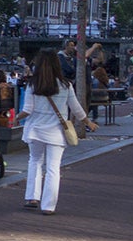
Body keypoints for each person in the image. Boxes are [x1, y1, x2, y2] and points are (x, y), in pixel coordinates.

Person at [18, 50, 94, 214]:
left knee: (35, 161)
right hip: (56, 132)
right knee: (53, 168)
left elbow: (27, 110)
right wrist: (88, 123)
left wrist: (16, 118)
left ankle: (32, 197)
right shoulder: (66, 85)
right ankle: (48, 206)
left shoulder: (32, 84)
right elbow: (76, 109)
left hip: (35, 130)